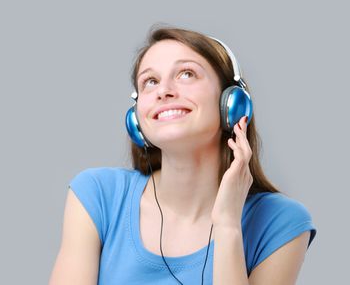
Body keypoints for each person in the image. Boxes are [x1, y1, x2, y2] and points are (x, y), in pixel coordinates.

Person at [49, 25, 317, 285]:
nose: (163, 91)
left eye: (187, 74)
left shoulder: (281, 223)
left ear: (232, 103)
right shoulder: (97, 196)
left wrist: (227, 227)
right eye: (150, 81)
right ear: (136, 118)